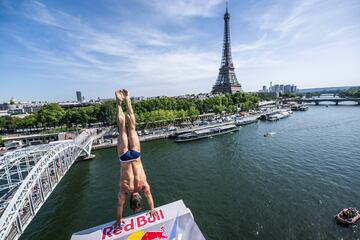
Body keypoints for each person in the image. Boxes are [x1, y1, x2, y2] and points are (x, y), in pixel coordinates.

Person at [114, 89, 157, 228]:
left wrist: (152, 209)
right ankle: (120, 103)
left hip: (136, 156)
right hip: (125, 158)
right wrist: (119, 219)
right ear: (131, 199)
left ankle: (128, 100)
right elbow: (120, 205)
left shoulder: (144, 186)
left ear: (138, 197)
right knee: (122, 128)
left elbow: (149, 198)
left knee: (131, 128)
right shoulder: (124, 191)